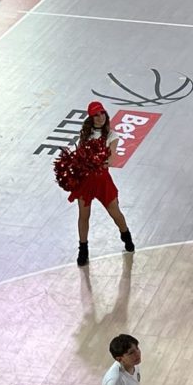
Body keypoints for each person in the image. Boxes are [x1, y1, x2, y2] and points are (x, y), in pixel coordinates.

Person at [69, 101, 135, 265]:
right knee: (84, 215)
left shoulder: (112, 135)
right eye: (96, 115)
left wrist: (94, 162)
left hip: (102, 180)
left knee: (116, 213)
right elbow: (78, 156)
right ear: (91, 118)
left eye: (102, 113)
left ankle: (125, 234)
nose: (100, 117)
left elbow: (110, 160)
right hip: (85, 181)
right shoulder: (85, 134)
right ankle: (83, 249)